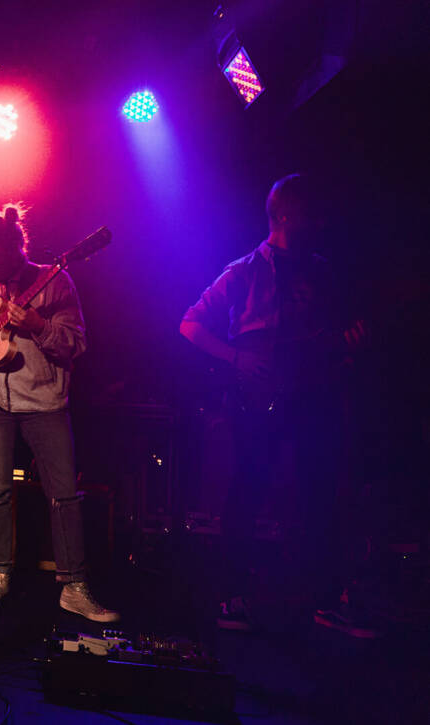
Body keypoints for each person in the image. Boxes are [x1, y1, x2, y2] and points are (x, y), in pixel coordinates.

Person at [180, 173, 373, 636]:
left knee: (318, 493)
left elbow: (329, 336)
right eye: (309, 212)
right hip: (259, 398)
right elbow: (190, 324)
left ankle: (319, 599)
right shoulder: (244, 270)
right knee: (249, 489)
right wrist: (236, 358)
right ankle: (233, 597)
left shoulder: (321, 271)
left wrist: (348, 344)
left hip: (312, 394)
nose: (318, 221)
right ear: (285, 215)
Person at [0, 204, 118, 623]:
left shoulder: (55, 280)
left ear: (18, 247)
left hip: (45, 402)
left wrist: (37, 325)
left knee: (64, 495)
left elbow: (75, 344)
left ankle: (74, 587)